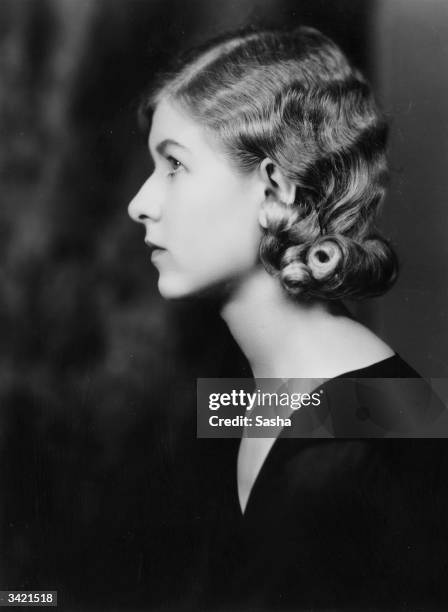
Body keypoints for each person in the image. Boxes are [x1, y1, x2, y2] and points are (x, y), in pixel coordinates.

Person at [128, 26, 448, 611]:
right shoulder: (291, 396)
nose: (140, 203)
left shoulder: (336, 466)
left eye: (174, 165)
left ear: (275, 191)